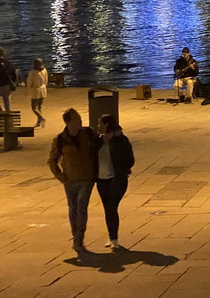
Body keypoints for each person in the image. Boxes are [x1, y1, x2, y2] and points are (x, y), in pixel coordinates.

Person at [47, 108, 100, 252]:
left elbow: (101, 145)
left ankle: (79, 238)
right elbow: (52, 161)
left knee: (81, 207)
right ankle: (75, 234)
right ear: (68, 122)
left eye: (79, 118)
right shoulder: (60, 139)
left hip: (87, 178)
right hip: (70, 179)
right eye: (76, 119)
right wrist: (61, 177)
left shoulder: (89, 134)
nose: (80, 121)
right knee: (73, 208)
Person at [95, 114, 135, 250]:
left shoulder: (120, 140)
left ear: (106, 125)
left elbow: (130, 159)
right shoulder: (98, 140)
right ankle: (112, 238)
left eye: (100, 123)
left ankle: (114, 239)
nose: (98, 126)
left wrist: (123, 171)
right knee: (108, 209)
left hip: (117, 179)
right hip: (101, 180)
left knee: (111, 207)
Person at [26, 58, 48, 128]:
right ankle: (38, 122)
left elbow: (29, 83)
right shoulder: (44, 70)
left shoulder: (32, 73)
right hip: (43, 89)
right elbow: (46, 81)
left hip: (36, 91)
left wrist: (28, 89)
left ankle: (42, 118)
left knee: (34, 108)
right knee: (40, 106)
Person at [0, 47, 17, 112]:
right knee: (7, 102)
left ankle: (1, 112)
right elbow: (13, 73)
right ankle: (8, 117)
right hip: (7, 85)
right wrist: (13, 81)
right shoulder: (8, 63)